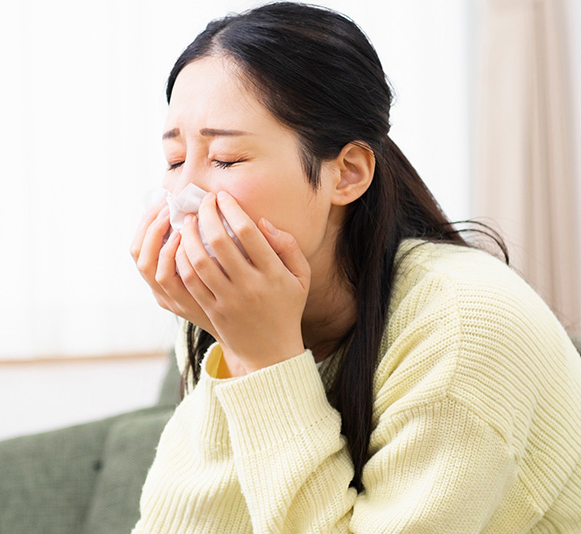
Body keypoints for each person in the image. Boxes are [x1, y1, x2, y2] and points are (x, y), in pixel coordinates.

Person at [129, 2, 581, 532]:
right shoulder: (251, 312)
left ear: (346, 173)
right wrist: (234, 345)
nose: (185, 196)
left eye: (225, 159)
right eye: (176, 161)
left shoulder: (466, 328)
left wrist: (262, 358)